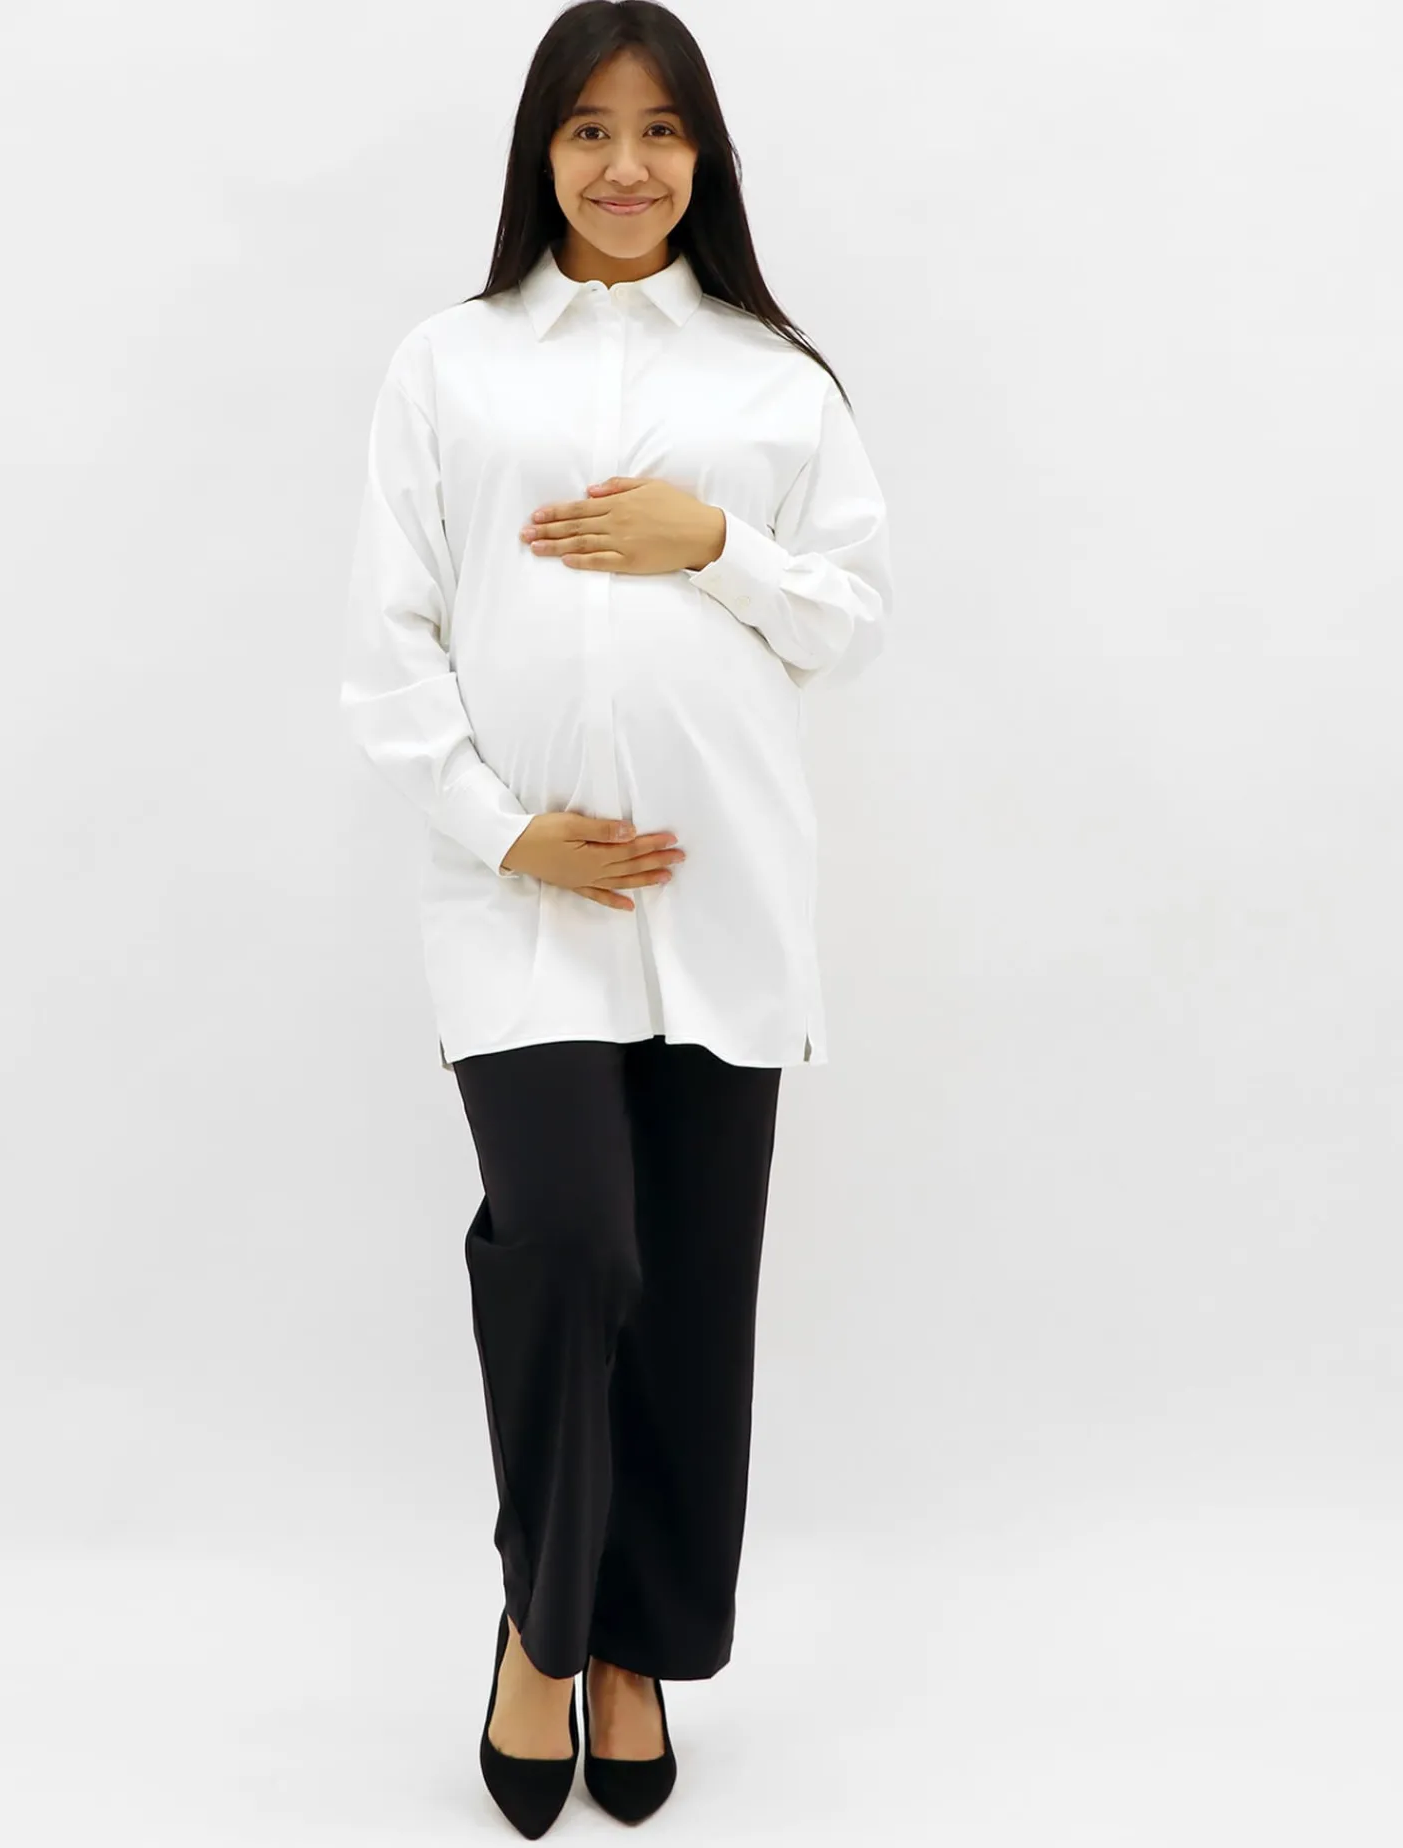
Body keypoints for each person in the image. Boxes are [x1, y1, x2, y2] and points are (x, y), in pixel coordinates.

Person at [340, 2, 894, 1834]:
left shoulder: (772, 379)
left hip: (723, 899)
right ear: (542, 154)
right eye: (590, 129)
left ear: (704, 154)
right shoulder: (451, 363)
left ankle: (635, 1645)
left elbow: (852, 618)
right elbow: (390, 637)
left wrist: (708, 542)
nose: (627, 164)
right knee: (569, 1245)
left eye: (661, 130)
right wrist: (510, 835)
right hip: (518, 906)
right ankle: (542, 1624)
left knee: (691, 1290)